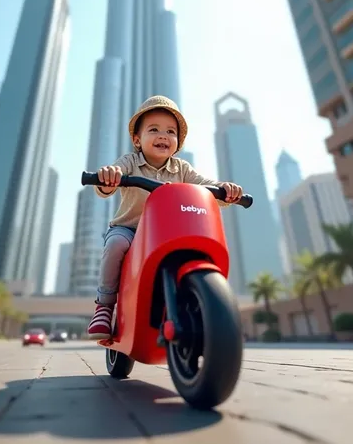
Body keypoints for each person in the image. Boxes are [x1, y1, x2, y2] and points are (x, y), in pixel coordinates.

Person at [87, 95, 243, 340]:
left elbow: (207, 187)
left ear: (178, 142)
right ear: (137, 140)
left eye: (171, 131)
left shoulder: (182, 169)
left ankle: (194, 301)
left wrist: (226, 190)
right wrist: (109, 176)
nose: (163, 135)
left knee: (192, 250)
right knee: (115, 244)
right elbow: (105, 186)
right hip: (130, 230)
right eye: (154, 129)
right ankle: (104, 306)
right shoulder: (130, 162)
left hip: (167, 232)